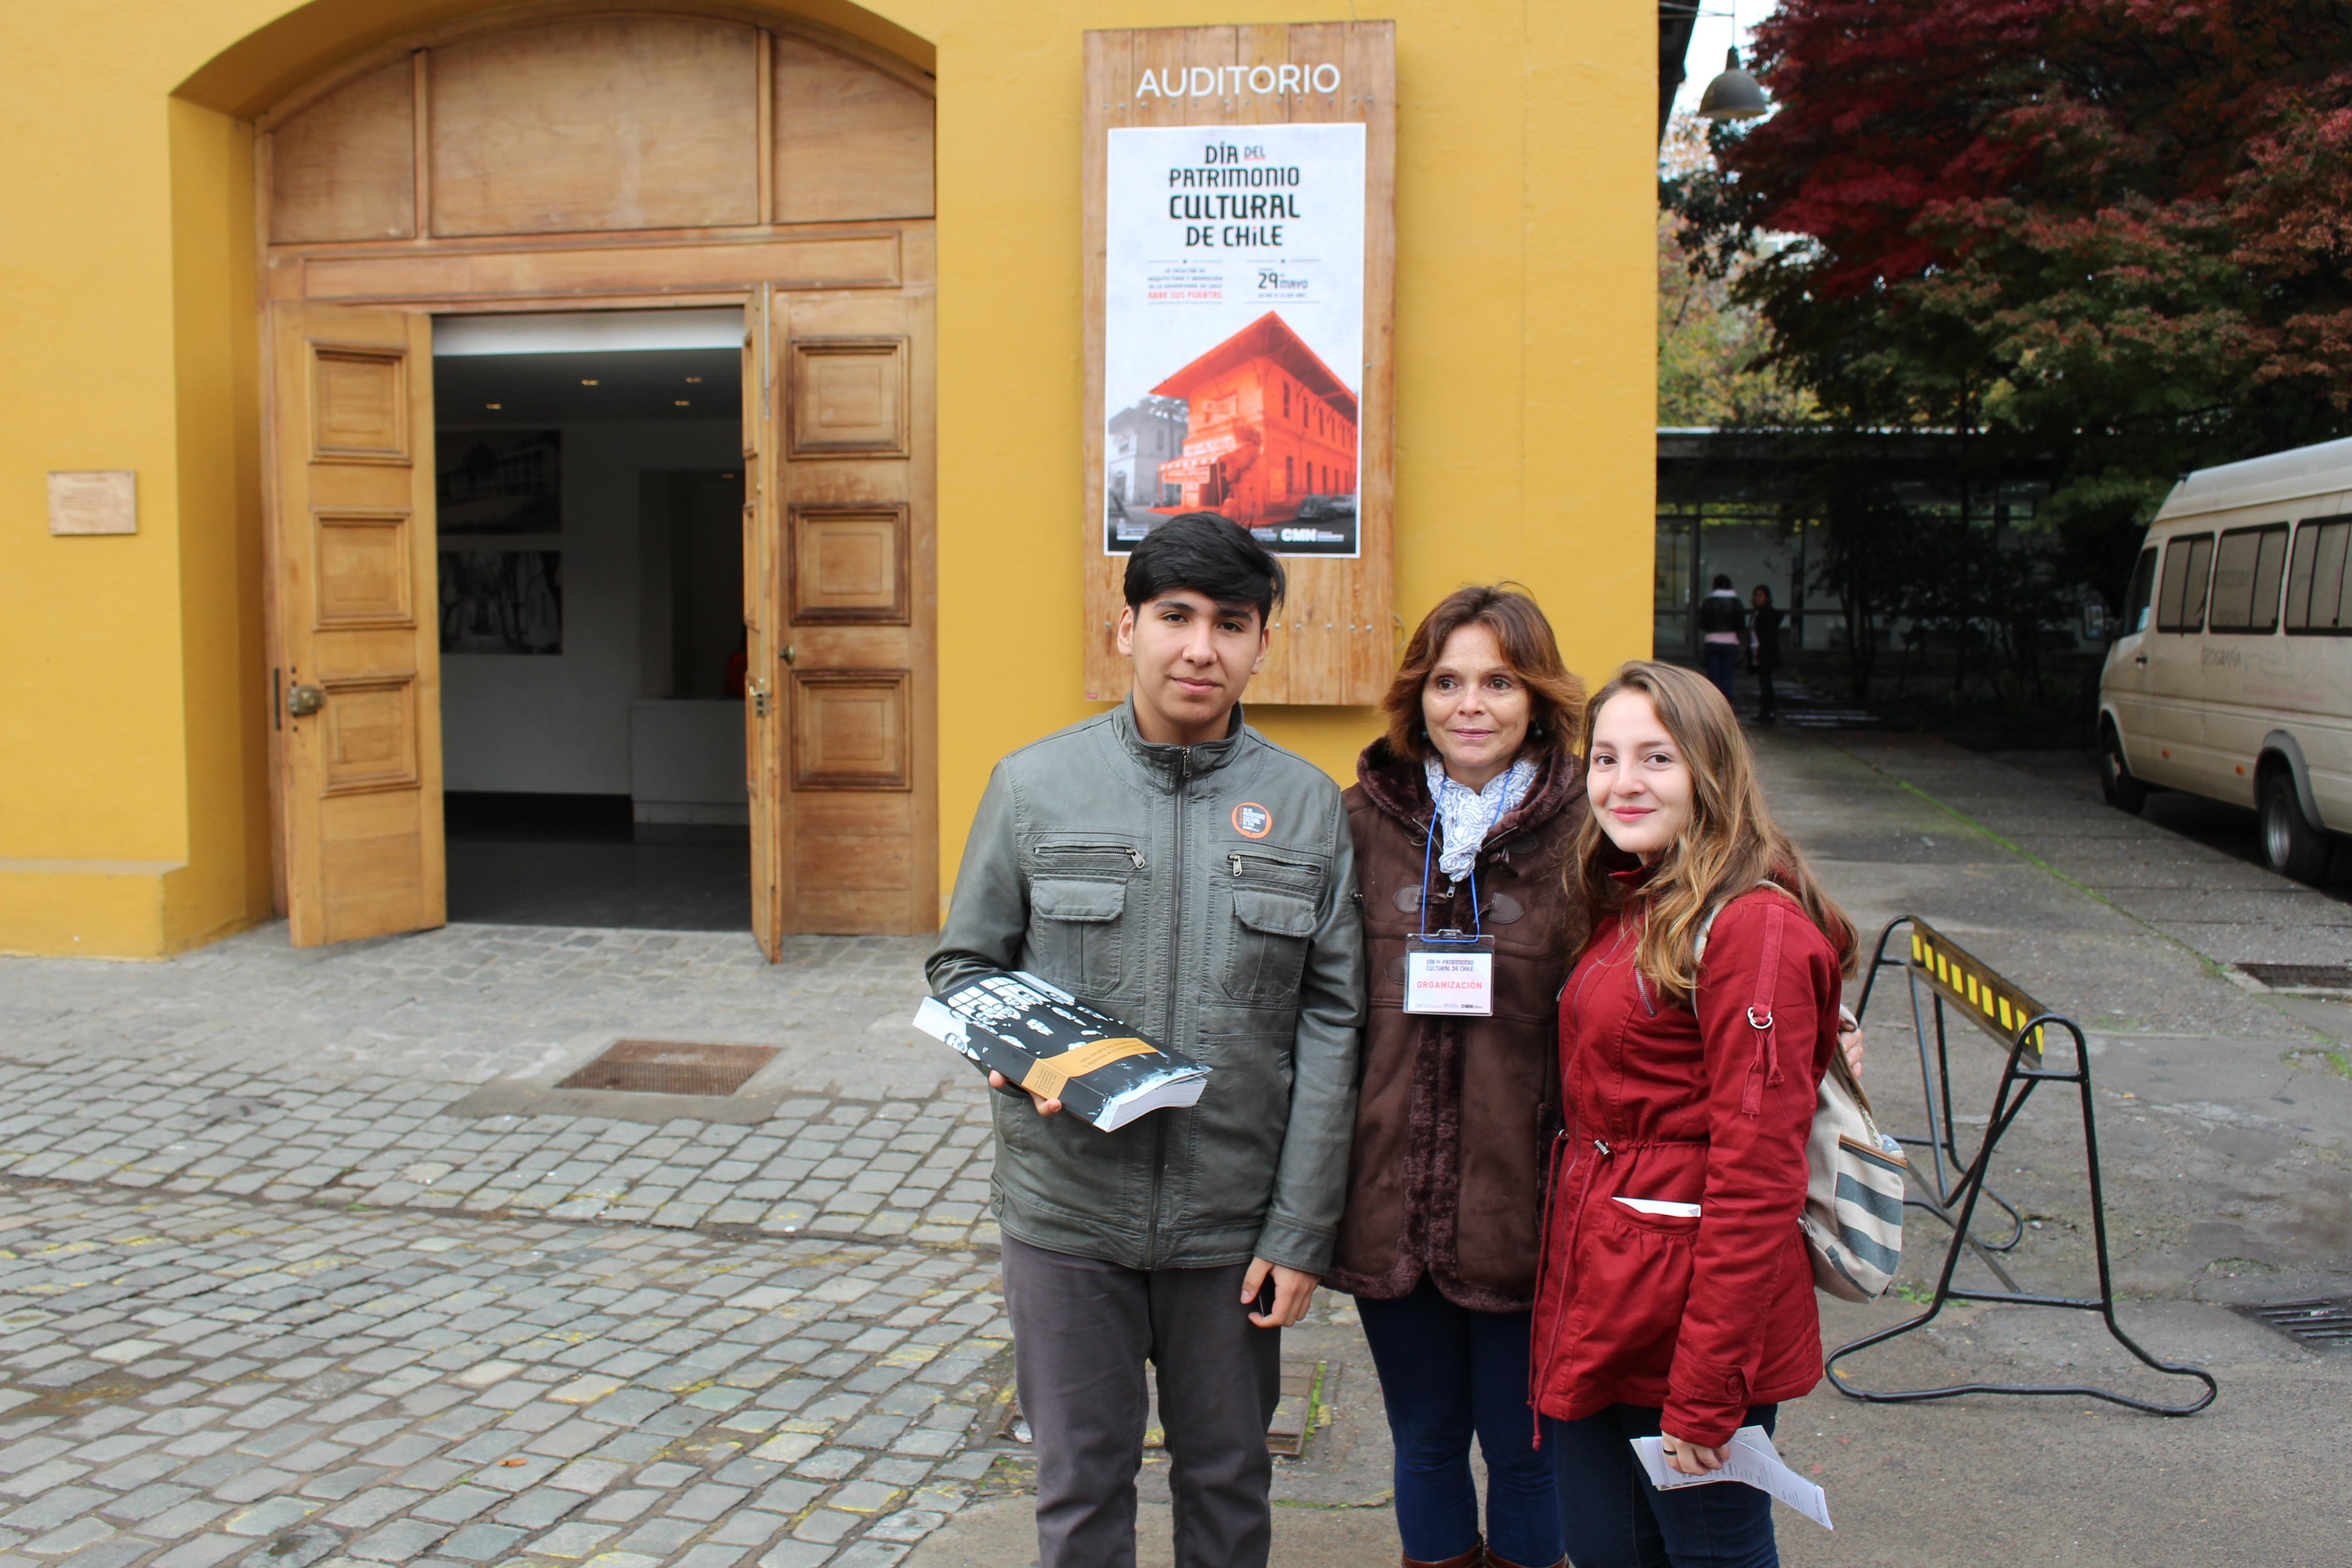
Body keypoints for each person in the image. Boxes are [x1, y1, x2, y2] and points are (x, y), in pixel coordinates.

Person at [927, 512, 1365, 1568]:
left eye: (1229, 620)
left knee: (1228, 1484)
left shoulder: (1305, 807)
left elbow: (1334, 1019)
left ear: (1263, 642)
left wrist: (1299, 1229)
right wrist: (1018, 1048)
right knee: (1078, 1491)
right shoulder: (1033, 784)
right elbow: (964, 966)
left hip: (1231, 1225)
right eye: (1172, 615)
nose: (1198, 646)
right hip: (1066, 1211)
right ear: (1124, 627)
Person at [1531, 660, 1858, 1568]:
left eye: (1656, 758)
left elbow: (1758, 1180)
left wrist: (1709, 1387)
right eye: (1604, 758)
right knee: (1605, 1549)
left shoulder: (1752, 927)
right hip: (1608, 1293)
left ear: (1711, 769)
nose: (1623, 783)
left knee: (1713, 1552)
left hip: (1688, 1320)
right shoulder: (1642, 895)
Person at [1328, 587, 1588, 1568]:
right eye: (1447, 681)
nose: (1470, 705)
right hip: (1388, 1201)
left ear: (1538, 698)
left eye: (1498, 681)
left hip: (1534, 1212)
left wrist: (1831, 1021)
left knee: (1527, 1455)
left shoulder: (1591, 827)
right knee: (1426, 1444)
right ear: (1417, 695)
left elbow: (1709, 929)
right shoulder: (1360, 821)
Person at [1696, 575, 1744, 705]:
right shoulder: (1737, 602)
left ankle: (1714, 705)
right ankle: (1727, 705)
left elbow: (1703, 624)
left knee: (1714, 677)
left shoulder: (1709, 602)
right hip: (1731, 643)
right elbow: (1741, 625)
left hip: (1712, 642)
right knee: (1728, 676)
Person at [1747, 585, 1783, 723]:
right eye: (1756, 595)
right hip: (1759, 651)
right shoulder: (1757, 613)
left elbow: (1767, 635)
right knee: (1764, 682)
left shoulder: (1767, 614)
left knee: (1766, 683)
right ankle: (1767, 711)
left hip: (1765, 653)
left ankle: (1767, 712)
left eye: (1761, 596)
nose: (1758, 598)